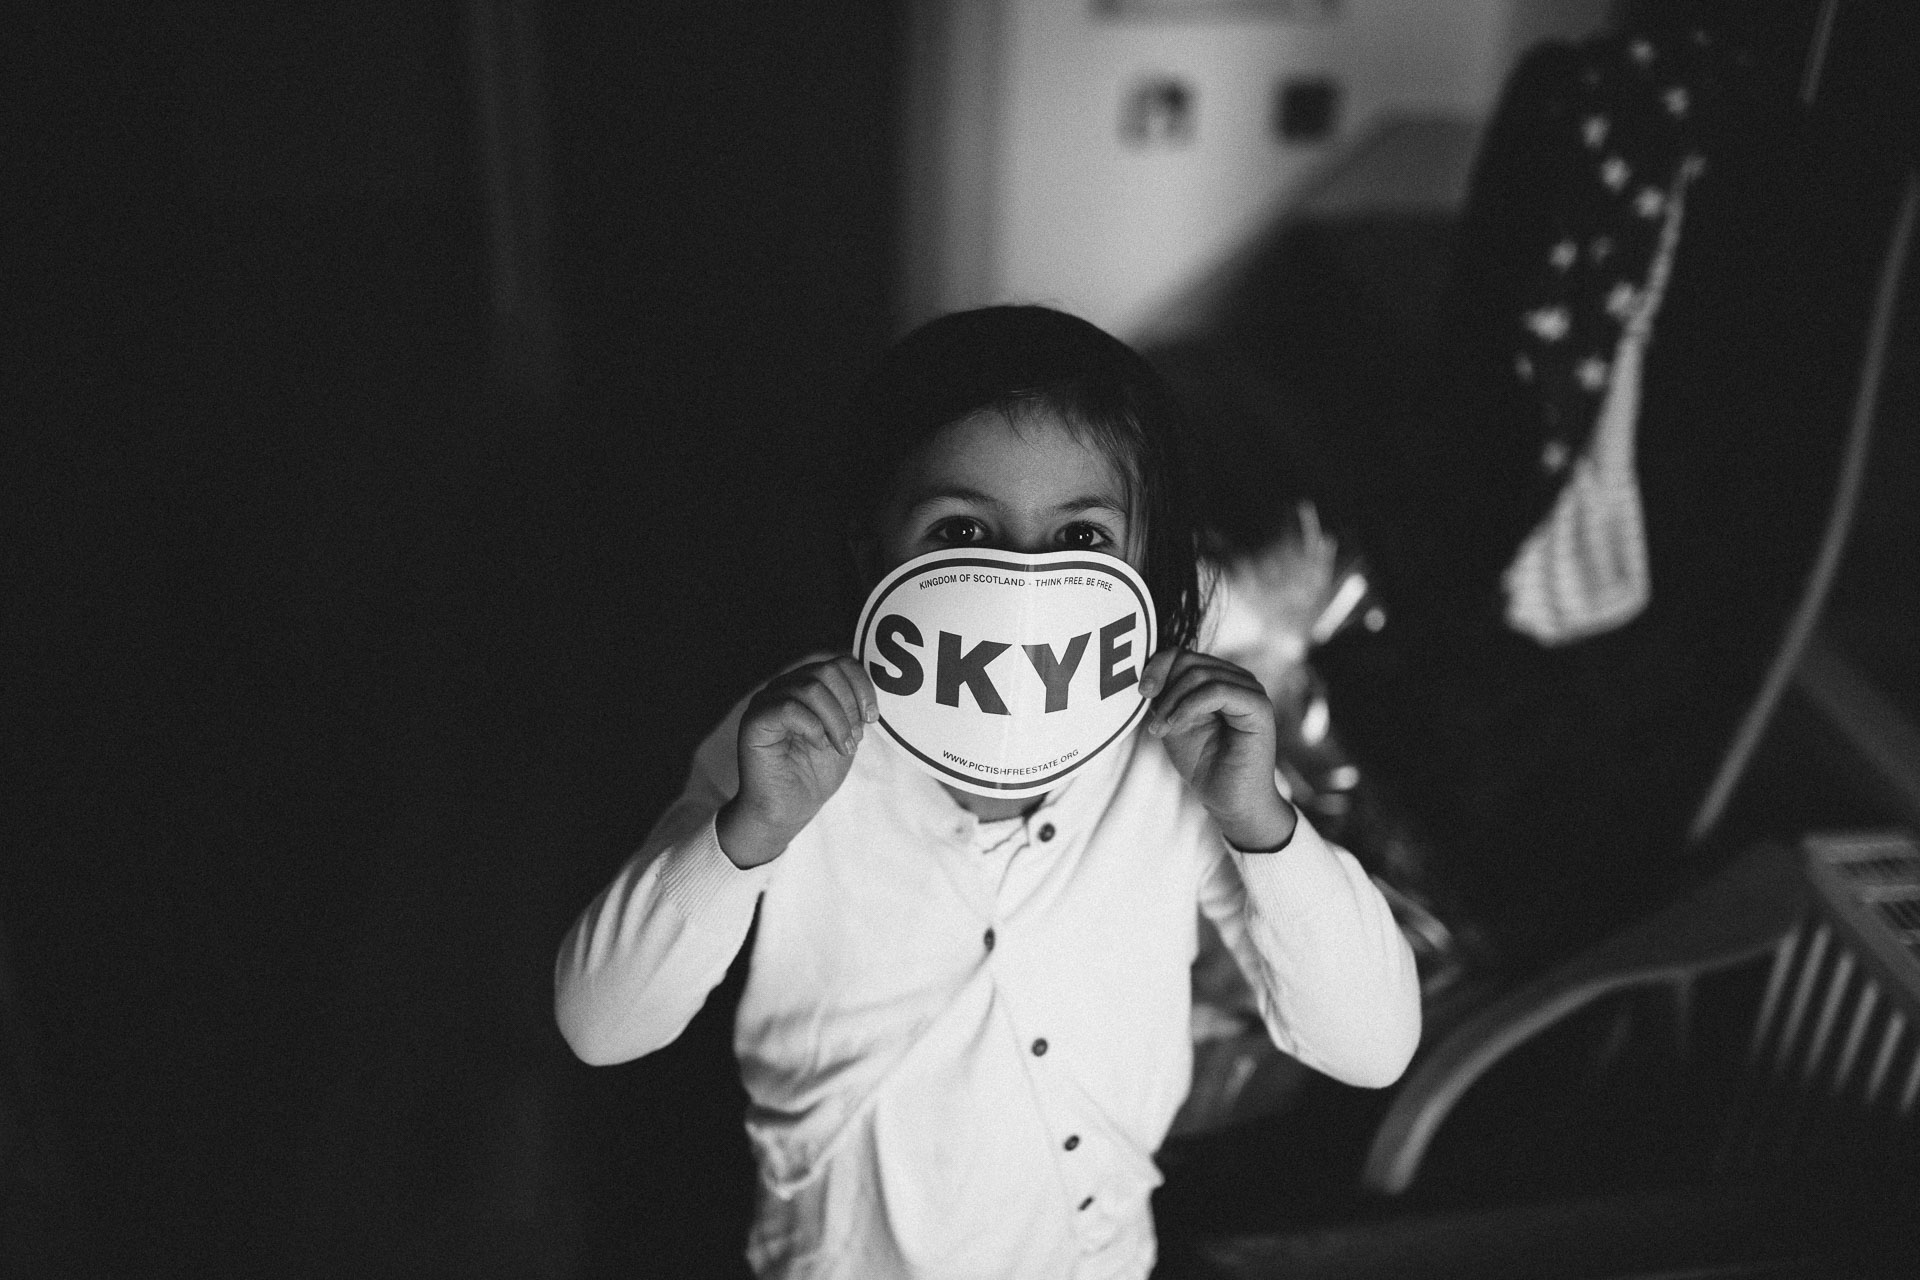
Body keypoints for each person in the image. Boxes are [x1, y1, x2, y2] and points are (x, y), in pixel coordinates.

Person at [554, 305, 1420, 1279]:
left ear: (1143, 559)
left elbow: (1373, 1044)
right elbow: (602, 1023)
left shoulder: (1175, 761)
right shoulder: (791, 744)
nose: (1020, 576)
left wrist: (1264, 823)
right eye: (963, 528)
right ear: (873, 548)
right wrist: (744, 834)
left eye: (1080, 532)